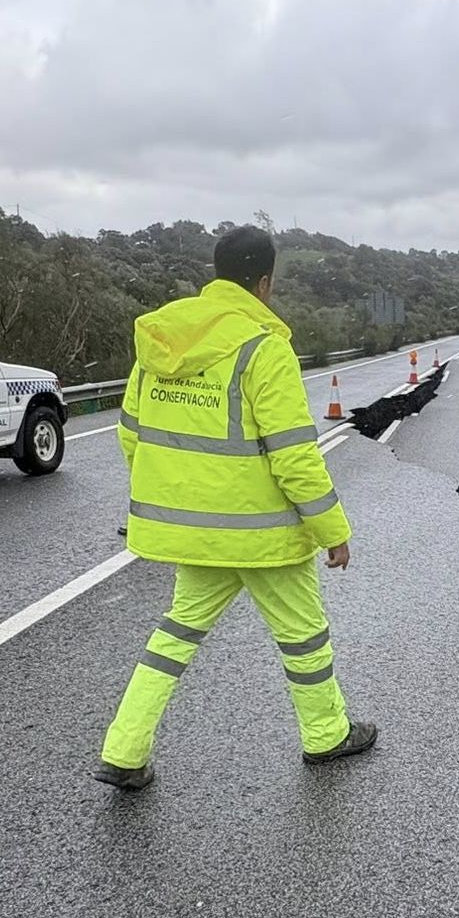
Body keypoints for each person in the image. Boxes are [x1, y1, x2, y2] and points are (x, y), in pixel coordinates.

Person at [94, 225, 377, 790]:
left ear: (217, 273)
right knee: (303, 635)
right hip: (265, 535)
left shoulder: (163, 342)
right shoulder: (263, 348)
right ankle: (325, 735)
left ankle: (124, 750)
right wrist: (332, 531)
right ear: (265, 282)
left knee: (175, 636)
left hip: (195, 535)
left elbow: (132, 434)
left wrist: (186, 496)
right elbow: (295, 457)